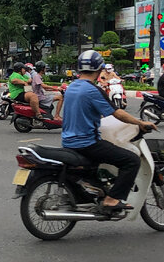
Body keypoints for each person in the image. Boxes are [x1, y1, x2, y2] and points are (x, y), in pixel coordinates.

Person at [62, 50, 158, 216]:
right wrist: (140, 122)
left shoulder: (72, 87)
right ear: (99, 70)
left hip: (68, 141)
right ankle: (112, 199)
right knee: (131, 160)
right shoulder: (92, 90)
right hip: (87, 143)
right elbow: (117, 113)